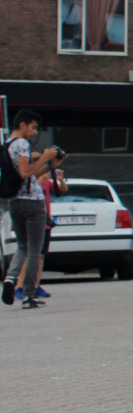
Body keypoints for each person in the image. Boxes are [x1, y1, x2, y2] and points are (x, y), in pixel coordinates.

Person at [3, 110, 65, 309]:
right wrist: (44, 156)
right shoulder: (22, 144)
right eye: (33, 127)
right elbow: (25, 172)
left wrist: (50, 165)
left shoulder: (7, 144)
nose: (35, 132)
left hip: (15, 202)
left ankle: (10, 279)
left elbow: (30, 174)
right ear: (22, 125)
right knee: (35, 251)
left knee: (23, 246)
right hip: (32, 202)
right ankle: (29, 295)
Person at [14, 166, 67, 302]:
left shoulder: (47, 182)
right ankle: (20, 286)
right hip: (32, 220)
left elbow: (62, 190)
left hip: (44, 221)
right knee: (29, 252)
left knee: (41, 255)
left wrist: (60, 179)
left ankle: (36, 285)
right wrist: (41, 179)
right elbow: (30, 193)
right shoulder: (28, 181)